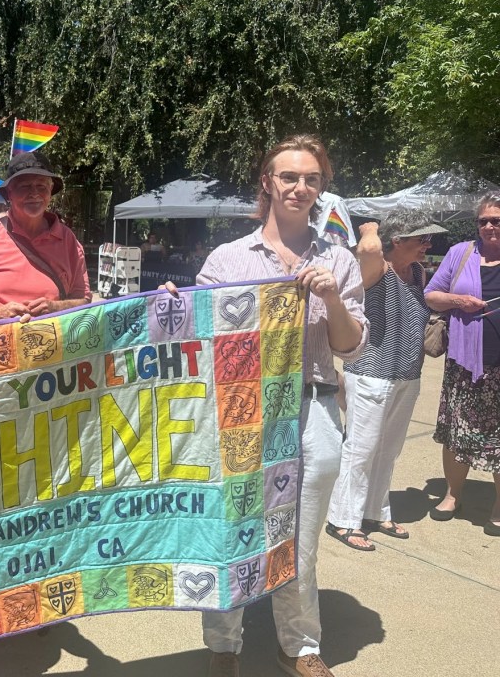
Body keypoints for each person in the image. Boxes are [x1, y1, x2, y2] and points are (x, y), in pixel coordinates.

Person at [169, 135, 367, 677]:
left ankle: (300, 646)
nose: (300, 187)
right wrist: (170, 309)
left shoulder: (339, 260)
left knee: (300, 539)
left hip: (313, 407)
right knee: (232, 527)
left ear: (321, 188)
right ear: (268, 182)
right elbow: (194, 335)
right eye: (289, 177)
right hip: (241, 414)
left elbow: (350, 347)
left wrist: (331, 297)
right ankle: (223, 645)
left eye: (312, 179)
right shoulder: (228, 258)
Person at [325, 211, 446, 550]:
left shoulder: (418, 272)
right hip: (371, 373)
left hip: (407, 373)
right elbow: (367, 249)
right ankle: (343, 519)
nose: (427, 245)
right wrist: (371, 227)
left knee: (388, 450)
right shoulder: (376, 270)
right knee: (361, 449)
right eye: (421, 239)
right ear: (397, 241)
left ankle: (375, 512)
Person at [424, 194, 500, 536]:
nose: (489, 226)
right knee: (457, 431)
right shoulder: (460, 253)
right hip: (464, 362)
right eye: (483, 220)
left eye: (496, 220)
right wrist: (458, 300)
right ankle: (452, 495)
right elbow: (431, 294)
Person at [0, 151, 91, 321]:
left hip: (53, 337)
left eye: (41, 186)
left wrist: (56, 307)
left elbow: (84, 300)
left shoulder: (68, 240)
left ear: (50, 191)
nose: (34, 193)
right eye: (25, 186)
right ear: (10, 193)